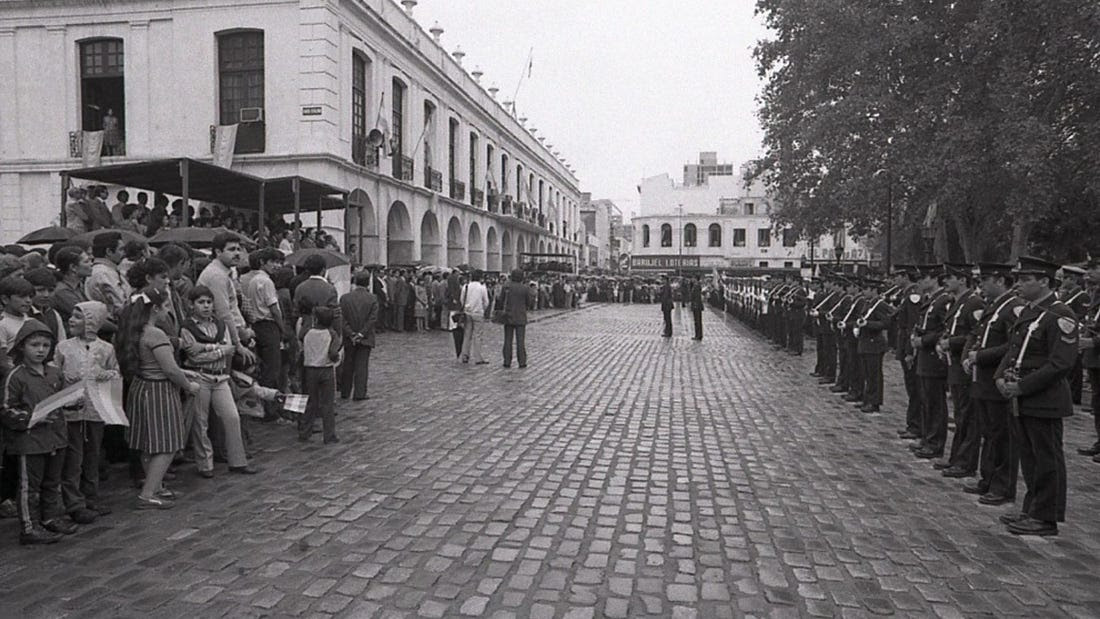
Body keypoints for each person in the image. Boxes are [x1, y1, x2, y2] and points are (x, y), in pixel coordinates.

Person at [994, 256, 1077, 536]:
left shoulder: (1060, 314)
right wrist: (1000, 376)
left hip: (1044, 398)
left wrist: (1023, 386)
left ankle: (1046, 517)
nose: (1019, 284)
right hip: (1023, 396)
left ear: (1044, 281)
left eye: (1026, 279)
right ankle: (1032, 507)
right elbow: (1014, 349)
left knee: (1046, 457)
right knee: (1029, 456)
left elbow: (1060, 363)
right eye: (1018, 279)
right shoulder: (1031, 312)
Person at [114, 287, 200, 510]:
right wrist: (189, 385)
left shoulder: (132, 331)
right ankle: (148, 493)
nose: (168, 310)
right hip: (159, 392)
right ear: (154, 308)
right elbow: (170, 370)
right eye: (166, 305)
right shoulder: (155, 334)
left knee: (147, 442)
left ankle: (156, 485)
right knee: (167, 443)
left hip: (142, 387)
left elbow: (152, 364)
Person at [0, 319, 73, 544]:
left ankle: (50, 518)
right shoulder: (16, 376)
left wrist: (74, 401)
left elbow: (62, 399)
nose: (41, 350)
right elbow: (5, 409)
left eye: (45, 345)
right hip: (29, 441)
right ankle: (29, 527)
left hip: (55, 437)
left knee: (52, 481)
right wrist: (31, 418)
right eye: (35, 345)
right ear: (22, 346)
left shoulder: (54, 373)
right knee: (29, 486)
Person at [961, 263, 1025, 506]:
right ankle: (988, 478)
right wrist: (970, 355)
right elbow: (978, 336)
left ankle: (1002, 485)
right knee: (988, 432)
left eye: (985, 280)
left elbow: (1013, 345)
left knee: (1002, 435)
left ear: (1000, 280)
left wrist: (981, 356)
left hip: (996, 378)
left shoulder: (1013, 307)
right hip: (982, 380)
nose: (981, 285)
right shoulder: (994, 306)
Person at [180, 286, 258, 478]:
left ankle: (237, 461)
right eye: (201, 302)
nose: (206, 306)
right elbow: (193, 356)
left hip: (221, 377)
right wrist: (220, 351)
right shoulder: (187, 328)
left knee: (232, 417)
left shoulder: (220, 325)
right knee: (201, 421)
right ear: (192, 305)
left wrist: (208, 350)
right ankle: (205, 464)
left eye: (208, 302)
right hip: (200, 377)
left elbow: (228, 347)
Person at [54, 301, 117, 524]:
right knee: (74, 457)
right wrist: (64, 381)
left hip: (95, 410)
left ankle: (91, 497)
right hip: (71, 411)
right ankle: (74, 503)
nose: (71, 320)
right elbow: (54, 375)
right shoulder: (63, 347)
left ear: (92, 322)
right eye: (71, 316)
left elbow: (115, 373)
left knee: (93, 455)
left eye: (78, 317)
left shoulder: (106, 348)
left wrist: (104, 374)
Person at [937, 264, 985, 478]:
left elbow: (975, 335)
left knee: (967, 416)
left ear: (963, 280)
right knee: (960, 415)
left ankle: (966, 462)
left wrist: (951, 343)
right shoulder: (957, 302)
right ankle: (956, 457)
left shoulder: (974, 303)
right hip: (954, 365)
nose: (946, 282)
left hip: (964, 366)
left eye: (951, 277)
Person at [911, 265, 952, 459]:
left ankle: (935, 442)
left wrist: (925, 340)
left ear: (935, 279)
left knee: (935, 402)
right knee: (926, 399)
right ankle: (928, 437)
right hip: (924, 356)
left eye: (924, 278)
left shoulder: (944, 300)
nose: (920, 282)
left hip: (934, 357)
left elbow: (945, 329)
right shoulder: (931, 300)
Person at [196, 233, 256, 367]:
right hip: (221, 338)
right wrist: (238, 343)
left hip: (230, 334)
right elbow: (224, 313)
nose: (237, 253)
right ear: (218, 252)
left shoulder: (223, 273)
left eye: (238, 249)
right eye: (231, 249)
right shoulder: (216, 276)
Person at [243, 248, 288, 422]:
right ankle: (271, 411)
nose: (277, 266)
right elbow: (274, 309)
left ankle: (266, 408)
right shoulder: (266, 282)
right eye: (273, 262)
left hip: (258, 326)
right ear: (263, 263)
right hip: (268, 326)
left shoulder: (254, 280)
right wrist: (282, 328)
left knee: (265, 369)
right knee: (272, 370)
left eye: (279, 262)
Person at [299, 306, 342, 444]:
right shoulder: (331, 334)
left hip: (310, 369)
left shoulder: (308, 333)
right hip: (326, 368)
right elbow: (334, 352)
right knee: (327, 404)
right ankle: (329, 434)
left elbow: (300, 337)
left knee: (310, 401)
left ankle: (305, 431)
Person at [339, 271, 378, 401]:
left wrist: (351, 333)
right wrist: (361, 333)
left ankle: (345, 391)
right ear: (367, 283)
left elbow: (342, 319)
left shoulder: (345, 298)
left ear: (355, 282)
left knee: (348, 364)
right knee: (362, 365)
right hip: (365, 337)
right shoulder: (372, 298)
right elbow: (372, 319)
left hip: (349, 336)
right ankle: (360, 392)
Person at [85, 232, 130, 317]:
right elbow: (121, 305)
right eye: (121, 249)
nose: (124, 253)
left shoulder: (107, 270)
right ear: (109, 251)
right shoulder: (104, 273)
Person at [49, 247, 92, 329]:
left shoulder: (78, 286)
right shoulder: (62, 291)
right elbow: (89, 317)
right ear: (73, 267)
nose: (91, 264)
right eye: (86, 261)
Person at [501, 269, 536, 369]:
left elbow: (501, 299)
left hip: (508, 316)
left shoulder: (506, 287)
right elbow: (529, 303)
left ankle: (507, 361)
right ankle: (522, 361)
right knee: (520, 341)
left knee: (508, 340)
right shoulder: (525, 288)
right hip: (520, 316)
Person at [460, 270, 491, 365]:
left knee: (467, 335)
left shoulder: (466, 286)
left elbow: (461, 299)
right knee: (478, 335)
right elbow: (486, 302)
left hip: (467, 312)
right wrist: (482, 309)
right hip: (478, 313)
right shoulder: (482, 287)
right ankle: (478, 357)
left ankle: (465, 355)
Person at [444, 269, 465, 357]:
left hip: (454, 299)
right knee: (453, 313)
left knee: (453, 313)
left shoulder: (452, 279)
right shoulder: (453, 279)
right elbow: (453, 290)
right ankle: (452, 326)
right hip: (454, 299)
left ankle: (452, 325)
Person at [690, 275, 704, 340]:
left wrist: (695, 304)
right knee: (697, 321)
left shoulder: (696, 286)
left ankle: (698, 335)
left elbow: (697, 297)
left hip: (697, 305)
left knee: (697, 321)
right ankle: (698, 334)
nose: (692, 279)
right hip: (696, 304)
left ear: (695, 279)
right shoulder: (695, 285)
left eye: (693, 278)